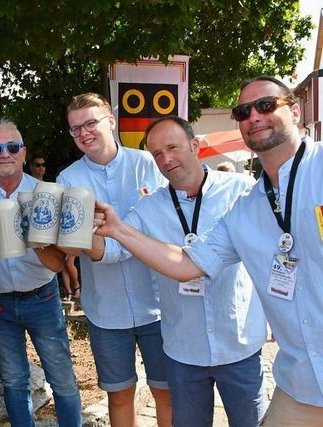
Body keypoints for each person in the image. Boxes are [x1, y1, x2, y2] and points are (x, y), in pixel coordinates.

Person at [93, 75, 323, 426]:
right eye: (243, 112)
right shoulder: (248, 207)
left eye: (265, 105)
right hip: (298, 383)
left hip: (242, 349)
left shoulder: (247, 189)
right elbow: (188, 264)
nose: (253, 117)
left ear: (295, 111)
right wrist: (116, 230)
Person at [104, 115, 268, 426]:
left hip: (240, 345)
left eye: (172, 147)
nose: (165, 159)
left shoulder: (241, 190)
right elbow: (114, 249)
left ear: (195, 145)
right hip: (184, 351)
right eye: (156, 154)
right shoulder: (148, 208)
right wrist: (83, 233)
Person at [55, 92, 171, 427]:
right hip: (106, 310)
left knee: (166, 392)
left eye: (90, 123)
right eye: (75, 129)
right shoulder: (67, 180)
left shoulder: (148, 165)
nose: (84, 133)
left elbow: (164, 230)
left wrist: (99, 241)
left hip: (158, 306)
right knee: (119, 396)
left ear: (111, 120)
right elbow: (72, 246)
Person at [0, 118, 82, 426]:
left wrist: (36, 241)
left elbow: (58, 265)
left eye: (12, 147)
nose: (5, 154)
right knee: (14, 380)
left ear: (23, 154)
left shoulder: (47, 194)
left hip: (42, 298)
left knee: (63, 377)